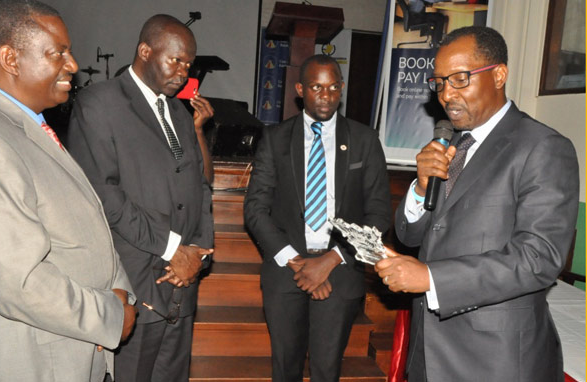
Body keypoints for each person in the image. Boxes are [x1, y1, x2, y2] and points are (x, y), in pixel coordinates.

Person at [0, 0, 137, 381]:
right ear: (11, 59)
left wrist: (120, 291)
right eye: (58, 52)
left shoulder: (28, 126)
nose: (73, 65)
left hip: (68, 347)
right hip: (25, 359)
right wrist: (109, 314)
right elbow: (18, 282)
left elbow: (83, 225)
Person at [375, 26, 579, 382]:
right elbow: (411, 236)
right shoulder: (452, 144)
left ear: (499, 75)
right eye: (439, 82)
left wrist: (430, 278)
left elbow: (539, 258)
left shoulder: (543, 147)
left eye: (459, 79)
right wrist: (421, 189)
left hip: (493, 363)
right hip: (429, 353)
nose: (446, 94)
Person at [66, 14, 214, 382]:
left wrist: (198, 251)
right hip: (136, 281)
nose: (183, 72)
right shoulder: (99, 103)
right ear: (145, 51)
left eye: (189, 64)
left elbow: (199, 185)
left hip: (182, 282)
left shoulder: (179, 112)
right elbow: (104, 194)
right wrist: (172, 249)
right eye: (175, 60)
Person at [244, 55, 392, 382]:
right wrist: (299, 263)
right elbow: (255, 209)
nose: (325, 95)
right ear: (300, 90)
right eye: (316, 87)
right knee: (285, 368)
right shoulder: (275, 139)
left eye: (333, 87)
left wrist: (330, 260)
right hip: (286, 271)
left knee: (327, 371)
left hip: (340, 272)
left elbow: (380, 214)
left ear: (341, 89)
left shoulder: (364, 140)